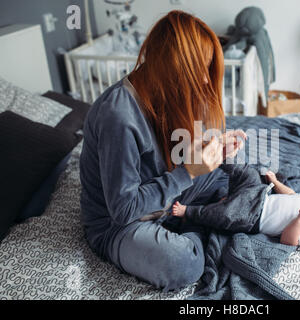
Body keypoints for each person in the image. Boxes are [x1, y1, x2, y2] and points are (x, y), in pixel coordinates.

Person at [79, 10, 247, 291]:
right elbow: (123, 210)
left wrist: (212, 147)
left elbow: (169, 157)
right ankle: (194, 225)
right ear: (173, 67)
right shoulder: (118, 116)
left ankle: (186, 218)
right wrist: (189, 171)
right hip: (119, 223)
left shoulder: (164, 93)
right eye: (200, 71)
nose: (206, 81)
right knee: (183, 264)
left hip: (160, 199)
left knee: (225, 175)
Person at [172, 164, 300, 246]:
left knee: (224, 215)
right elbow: (291, 194)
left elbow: (288, 241)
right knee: (249, 174)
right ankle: (221, 159)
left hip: (251, 217)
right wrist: (275, 181)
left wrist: (299, 220)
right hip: (259, 194)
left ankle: (188, 212)